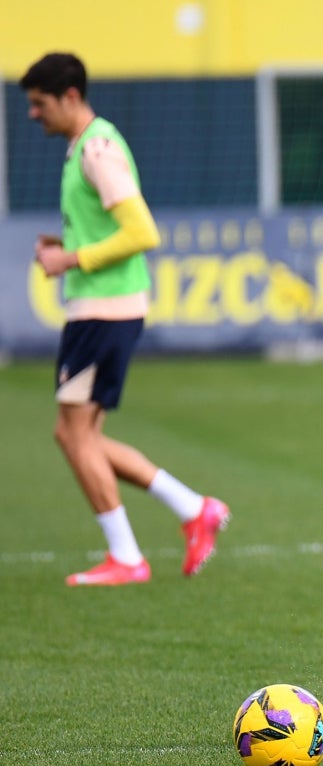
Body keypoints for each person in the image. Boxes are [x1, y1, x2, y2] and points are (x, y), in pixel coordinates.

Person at [21, 52, 229, 586]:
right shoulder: (84, 147)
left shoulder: (97, 148)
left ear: (70, 97)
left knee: (75, 436)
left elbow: (142, 232)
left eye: (39, 104)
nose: (32, 115)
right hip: (103, 309)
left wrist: (70, 258)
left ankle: (128, 557)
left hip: (105, 312)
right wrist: (69, 244)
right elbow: (109, 231)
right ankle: (193, 509)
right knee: (78, 435)